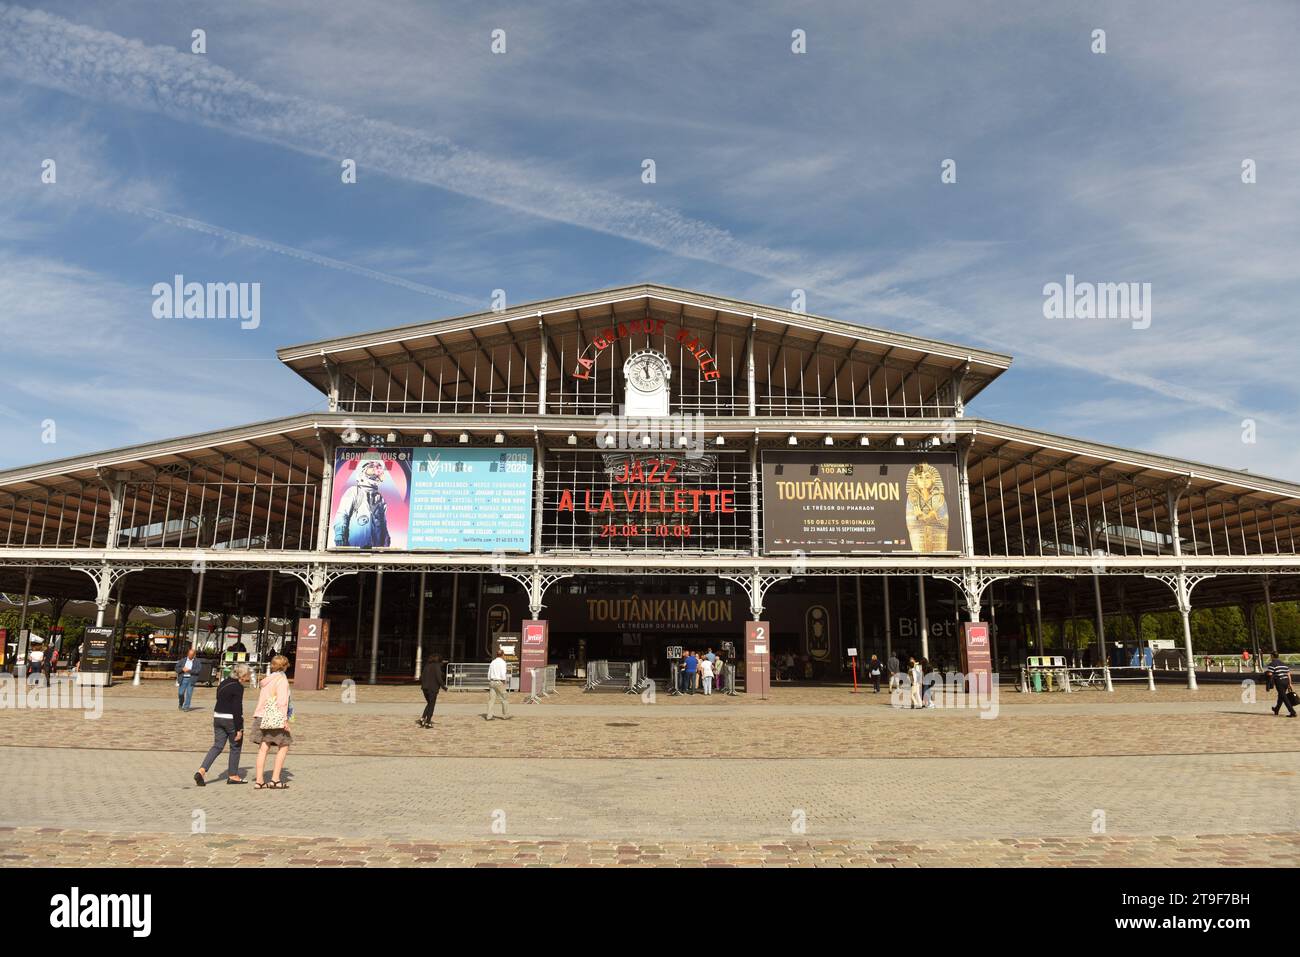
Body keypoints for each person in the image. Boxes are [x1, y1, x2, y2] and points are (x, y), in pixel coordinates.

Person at [194, 663, 251, 786]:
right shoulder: (238, 687)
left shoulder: (223, 683)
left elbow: (218, 698)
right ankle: (233, 775)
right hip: (230, 719)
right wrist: (239, 728)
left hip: (217, 716)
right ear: (242, 675)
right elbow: (237, 708)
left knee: (217, 746)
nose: (249, 677)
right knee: (235, 746)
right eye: (247, 674)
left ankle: (201, 771)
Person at [252, 654, 293, 788]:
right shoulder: (282, 680)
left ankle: (259, 780)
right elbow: (282, 702)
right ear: (285, 666)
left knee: (263, 747)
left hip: (261, 716)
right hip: (275, 717)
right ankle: (275, 779)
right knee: (284, 745)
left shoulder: (267, 680)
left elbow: (262, 699)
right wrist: (285, 720)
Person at [419, 653, 447, 728]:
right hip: (432, 689)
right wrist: (444, 687)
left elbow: (421, 677)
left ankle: (422, 718)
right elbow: (438, 678)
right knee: (431, 705)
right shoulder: (437, 666)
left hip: (425, 688)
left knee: (429, 703)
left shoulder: (427, 666)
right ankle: (428, 722)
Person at [1265, 653, 1295, 717]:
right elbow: (1288, 674)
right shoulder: (1284, 664)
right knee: (1281, 696)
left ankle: (1292, 712)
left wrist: (1266, 674)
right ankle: (1276, 709)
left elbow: (1270, 674)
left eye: (1271, 656)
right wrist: (1290, 683)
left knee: (1284, 697)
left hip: (1279, 682)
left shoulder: (1272, 664)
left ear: (1272, 656)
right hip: (1286, 681)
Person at [486, 649, 511, 720]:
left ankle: (489, 715)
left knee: (491, 700)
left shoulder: (492, 662)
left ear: (497, 655)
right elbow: (503, 673)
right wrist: (504, 681)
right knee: (504, 698)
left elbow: (489, 673)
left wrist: (490, 679)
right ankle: (505, 715)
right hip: (499, 682)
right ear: (503, 655)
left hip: (492, 682)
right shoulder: (503, 662)